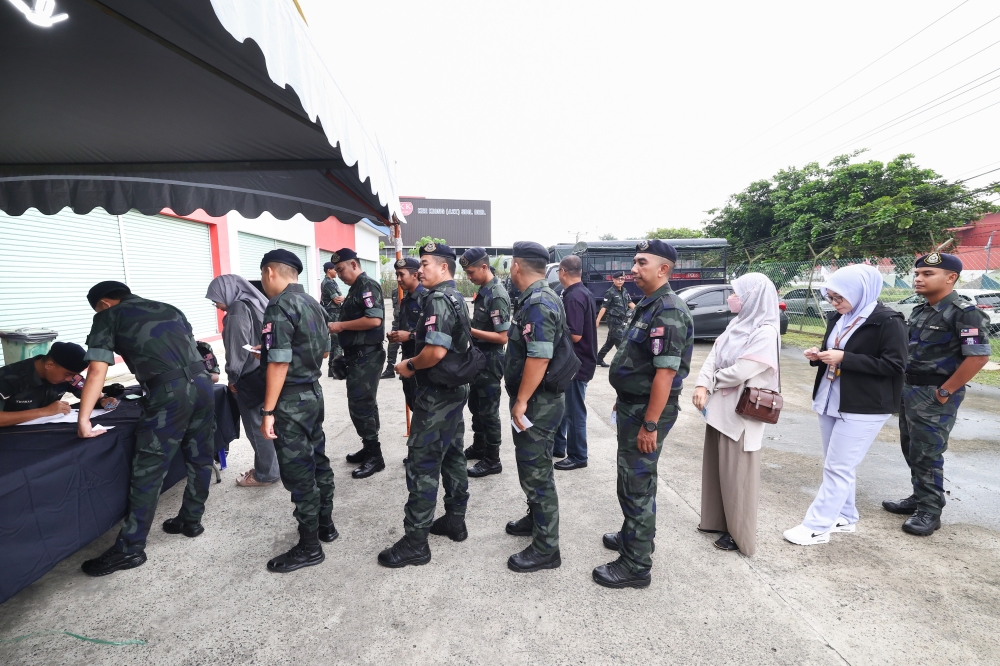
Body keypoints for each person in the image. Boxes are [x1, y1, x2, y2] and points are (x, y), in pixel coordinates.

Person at [75, 281, 216, 577]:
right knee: (200, 456)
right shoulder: (169, 309)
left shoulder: (108, 316)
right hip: (203, 384)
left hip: (168, 394)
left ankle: (130, 549)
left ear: (103, 303)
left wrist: (84, 418)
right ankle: (191, 519)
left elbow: (98, 369)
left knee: (148, 469)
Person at [784, 265, 907, 545]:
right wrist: (818, 355)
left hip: (864, 405)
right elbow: (836, 349)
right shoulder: (838, 317)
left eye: (839, 298)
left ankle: (817, 526)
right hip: (831, 398)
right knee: (838, 464)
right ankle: (845, 516)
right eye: (830, 297)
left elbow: (895, 365)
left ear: (859, 292)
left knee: (838, 467)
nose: (834, 303)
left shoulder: (888, 321)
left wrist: (844, 359)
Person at [595, 240, 693, 589]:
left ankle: (636, 565)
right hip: (633, 405)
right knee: (630, 480)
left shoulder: (668, 310)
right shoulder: (648, 305)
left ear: (663, 269)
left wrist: (650, 423)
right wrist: (622, 397)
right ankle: (632, 536)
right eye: (634, 262)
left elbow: (665, 375)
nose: (633, 269)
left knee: (637, 484)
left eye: (641, 262)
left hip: (648, 412)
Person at [882, 252, 990, 536]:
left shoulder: (965, 312)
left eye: (927, 274)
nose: (918, 279)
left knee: (928, 452)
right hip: (910, 390)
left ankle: (930, 511)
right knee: (911, 448)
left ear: (951, 277)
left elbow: (978, 357)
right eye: (917, 274)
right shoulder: (921, 310)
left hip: (935, 393)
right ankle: (920, 497)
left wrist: (945, 391)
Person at [380, 242, 473, 567]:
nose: (420, 270)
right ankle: (455, 520)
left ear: (443, 267)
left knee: (422, 464)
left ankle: (415, 542)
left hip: (436, 396)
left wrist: (409, 366)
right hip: (453, 390)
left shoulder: (437, 299)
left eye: (425, 264)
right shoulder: (456, 296)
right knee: (452, 456)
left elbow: (434, 352)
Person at [258, 249, 336, 572]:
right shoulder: (313, 304)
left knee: (299, 472)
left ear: (270, 272)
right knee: (318, 459)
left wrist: (268, 410)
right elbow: (326, 352)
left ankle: (310, 546)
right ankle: (326, 526)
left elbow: (278, 361)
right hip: (312, 394)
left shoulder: (279, 306)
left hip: (290, 401)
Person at [691, 273, 778, 557]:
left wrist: (712, 381)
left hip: (740, 415)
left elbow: (742, 371)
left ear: (753, 297)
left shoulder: (764, 331)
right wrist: (702, 383)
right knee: (718, 470)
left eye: (737, 293)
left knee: (738, 476)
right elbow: (713, 355)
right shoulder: (736, 324)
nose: (732, 298)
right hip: (720, 410)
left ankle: (738, 533)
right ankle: (717, 520)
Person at [503, 241, 566, 573]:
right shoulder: (539, 297)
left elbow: (539, 356)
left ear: (516, 266)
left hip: (537, 403)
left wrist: (522, 401)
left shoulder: (539, 302)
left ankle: (546, 548)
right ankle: (535, 519)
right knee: (533, 468)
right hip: (540, 400)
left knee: (537, 473)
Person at [205, 274, 280, 488]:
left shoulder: (237, 309)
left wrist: (232, 376)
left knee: (257, 428)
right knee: (267, 424)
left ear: (227, 292)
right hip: (265, 372)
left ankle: (266, 474)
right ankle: (269, 467)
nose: (217, 305)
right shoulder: (256, 302)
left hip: (248, 377)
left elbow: (237, 348)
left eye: (216, 299)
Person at [329, 248, 387, 479]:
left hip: (367, 356)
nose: (340, 275)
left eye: (341, 269)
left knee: (360, 404)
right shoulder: (356, 288)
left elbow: (374, 319)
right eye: (337, 271)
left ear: (354, 264)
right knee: (365, 403)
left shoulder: (367, 285)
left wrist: (340, 326)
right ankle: (369, 445)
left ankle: (375, 456)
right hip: (357, 355)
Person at [461, 247, 511, 478]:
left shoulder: (496, 294)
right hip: (478, 358)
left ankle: (492, 459)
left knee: (488, 411)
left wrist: (469, 330)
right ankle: (479, 446)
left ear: (483, 267)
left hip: (490, 360)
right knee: (476, 406)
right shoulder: (483, 291)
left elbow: (503, 336)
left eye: (471, 272)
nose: (468, 277)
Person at [0, 341, 117, 427]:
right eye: (68, 374)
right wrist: (44, 411)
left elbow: (89, 392)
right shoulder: (9, 377)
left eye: (74, 375)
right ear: (49, 365)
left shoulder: (69, 376)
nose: (69, 379)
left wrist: (102, 400)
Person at [553, 254, 597, 469]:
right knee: (565, 407)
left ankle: (579, 455)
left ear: (562, 271)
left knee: (574, 411)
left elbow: (575, 334)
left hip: (576, 365)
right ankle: (558, 446)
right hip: (579, 362)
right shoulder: (582, 291)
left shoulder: (573, 297)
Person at [387, 257, 427, 417]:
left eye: (401, 274)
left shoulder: (427, 298)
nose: (398, 279)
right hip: (407, 360)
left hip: (423, 362)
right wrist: (395, 336)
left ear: (415, 275)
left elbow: (435, 333)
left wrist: (409, 336)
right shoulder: (405, 300)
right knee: (412, 403)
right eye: (396, 274)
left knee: (423, 410)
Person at [595, 271, 635, 367]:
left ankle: (598, 359)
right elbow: (604, 307)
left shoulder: (624, 291)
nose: (620, 281)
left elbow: (630, 303)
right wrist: (598, 320)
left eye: (622, 279)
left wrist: (639, 311)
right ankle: (624, 363)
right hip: (613, 320)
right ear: (613, 280)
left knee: (610, 341)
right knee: (621, 342)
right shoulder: (610, 292)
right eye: (618, 279)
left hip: (622, 320)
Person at [320, 261, 344, 373]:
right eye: (334, 269)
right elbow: (337, 299)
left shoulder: (332, 282)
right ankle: (337, 370)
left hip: (336, 313)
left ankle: (332, 370)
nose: (336, 271)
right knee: (338, 342)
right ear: (329, 270)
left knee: (335, 343)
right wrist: (344, 297)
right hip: (333, 315)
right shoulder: (328, 283)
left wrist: (341, 297)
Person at [382, 285, 401, 380]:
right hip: (397, 323)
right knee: (392, 346)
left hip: (410, 324)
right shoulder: (395, 292)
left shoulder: (417, 291)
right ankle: (390, 369)